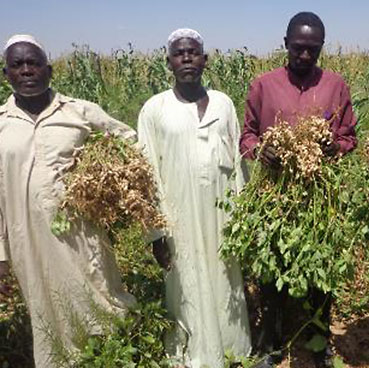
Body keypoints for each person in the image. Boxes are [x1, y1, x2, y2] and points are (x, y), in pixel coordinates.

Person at [0, 35, 136, 367]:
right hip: (28, 241)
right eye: (17, 65)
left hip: (81, 235)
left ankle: (110, 359)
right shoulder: (1, 124)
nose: (27, 70)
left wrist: (108, 177)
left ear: (49, 70)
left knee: (99, 299)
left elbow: (129, 143)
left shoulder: (79, 111)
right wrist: (0, 255)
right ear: (7, 75)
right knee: (47, 306)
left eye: (34, 63)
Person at [239, 12, 357, 368]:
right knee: (272, 271)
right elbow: (246, 135)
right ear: (285, 43)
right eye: (298, 48)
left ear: (321, 47)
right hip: (274, 195)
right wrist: (262, 151)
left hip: (318, 195)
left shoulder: (336, 85)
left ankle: (319, 342)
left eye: (313, 49)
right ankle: (271, 344)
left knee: (321, 275)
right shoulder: (263, 85)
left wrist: (332, 147)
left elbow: (349, 135)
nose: (305, 56)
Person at [137, 28, 251, 368]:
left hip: (223, 215)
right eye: (179, 53)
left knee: (225, 279)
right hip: (177, 215)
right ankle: (191, 355)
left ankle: (232, 350)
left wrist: (243, 218)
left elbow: (238, 163)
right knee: (185, 282)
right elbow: (146, 171)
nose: (187, 58)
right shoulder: (154, 109)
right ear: (169, 61)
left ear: (205, 59)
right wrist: (156, 234)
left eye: (193, 52)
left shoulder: (224, 103)